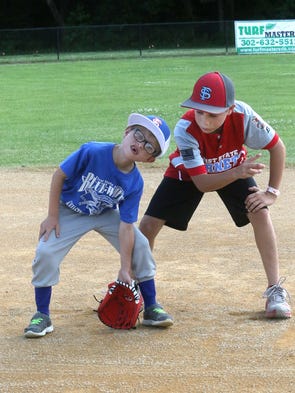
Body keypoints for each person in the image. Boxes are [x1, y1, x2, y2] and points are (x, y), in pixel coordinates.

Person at [139, 71, 291, 319]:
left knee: (260, 212)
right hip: (191, 175)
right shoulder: (186, 128)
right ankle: (136, 287)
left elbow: (277, 146)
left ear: (230, 109)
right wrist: (238, 172)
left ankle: (275, 289)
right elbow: (202, 183)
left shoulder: (243, 116)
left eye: (213, 113)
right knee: (148, 225)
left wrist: (271, 193)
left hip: (232, 166)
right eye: (199, 111)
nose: (205, 120)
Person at [24, 113, 174, 338]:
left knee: (140, 245)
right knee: (46, 252)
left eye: (149, 145)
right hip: (69, 210)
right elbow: (59, 176)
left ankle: (151, 306)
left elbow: (125, 226)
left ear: (150, 159)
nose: (140, 143)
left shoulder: (135, 182)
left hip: (104, 213)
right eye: (139, 134)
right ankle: (42, 314)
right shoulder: (93, 151)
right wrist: (52, 216)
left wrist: (125, 268)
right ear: (126, 132)